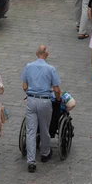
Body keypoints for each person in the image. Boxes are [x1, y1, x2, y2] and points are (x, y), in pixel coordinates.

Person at [21, 45, 61, 173]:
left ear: (36, 53)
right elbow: (56, 89)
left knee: (31, 130)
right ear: (46, 55)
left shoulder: (28, 66)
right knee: (45, 128)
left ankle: (31, 160)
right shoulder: (51, 69)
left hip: (31, 100)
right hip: (44, 100)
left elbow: (24, 86)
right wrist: (58, 98)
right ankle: (45, 153)